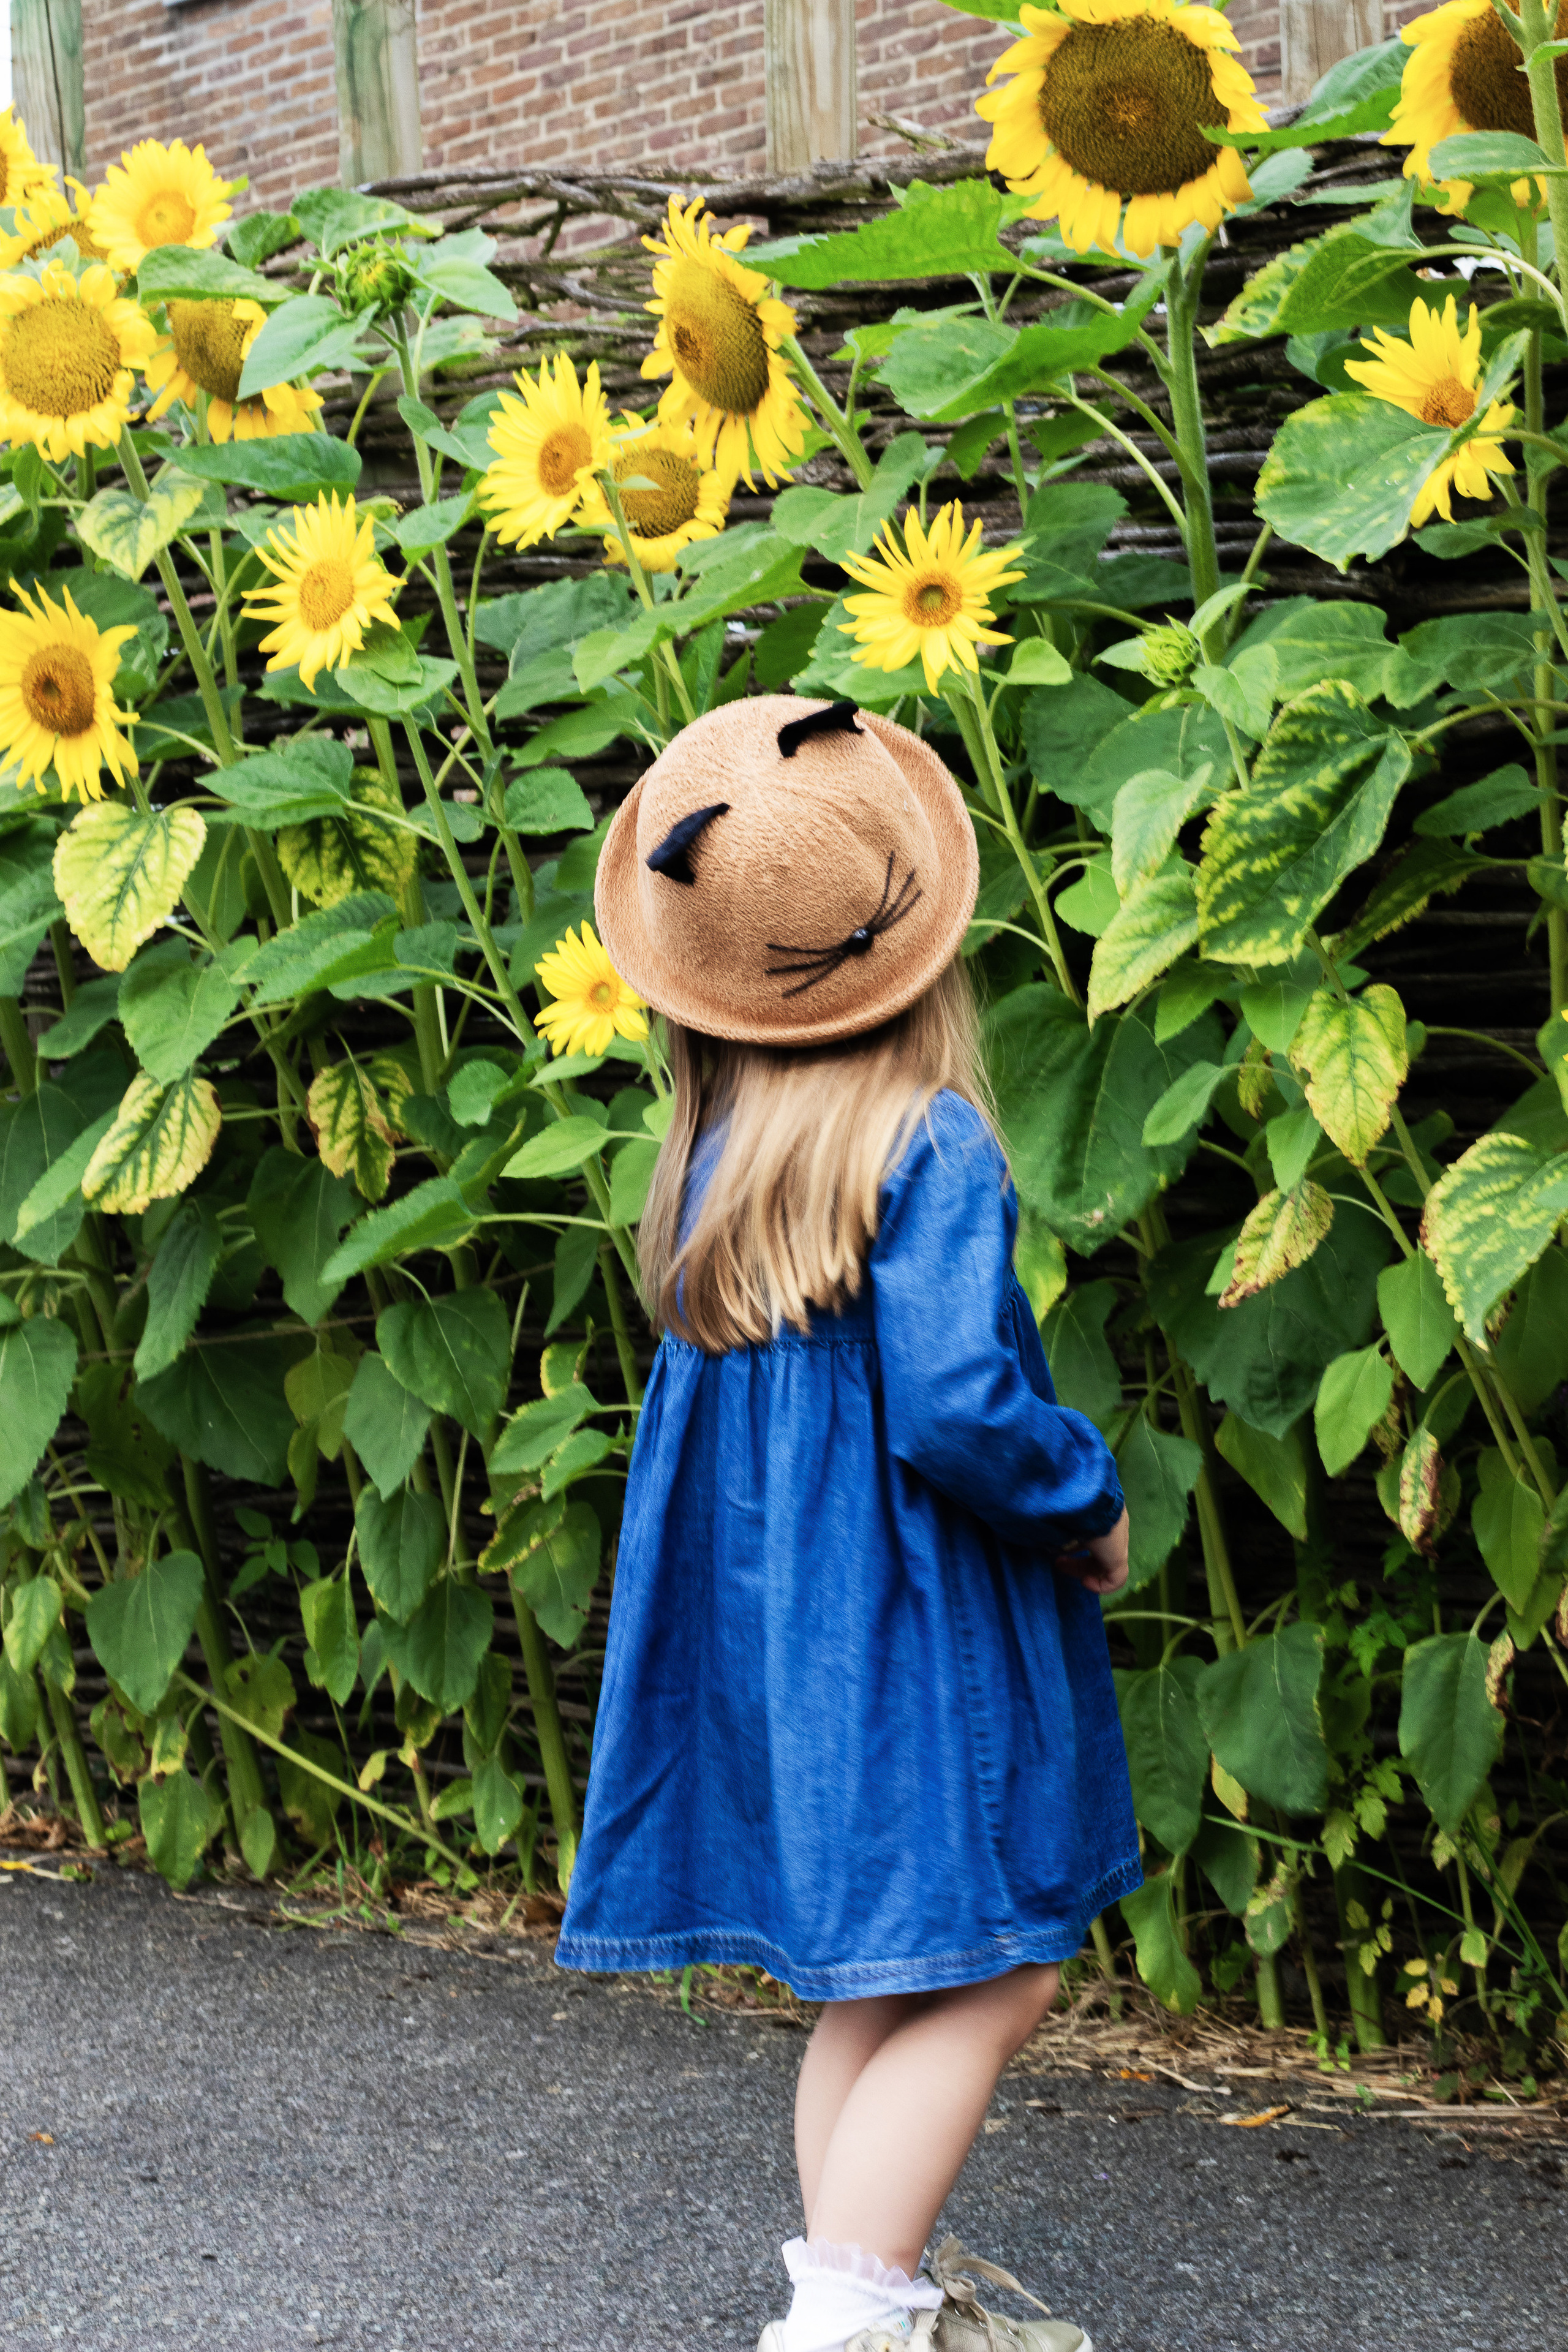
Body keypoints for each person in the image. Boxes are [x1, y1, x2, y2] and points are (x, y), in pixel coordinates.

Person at [556, 695, 1137, 2352]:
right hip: (909, 1621)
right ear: (920, 939)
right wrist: (1082, 1501)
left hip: (780, 1627)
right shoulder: (928, 1143)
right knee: (1006, 1965)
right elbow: (958, 1405)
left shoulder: (715, 1153)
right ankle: (849, 2320)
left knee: (871, 1976)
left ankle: (866, 2296)